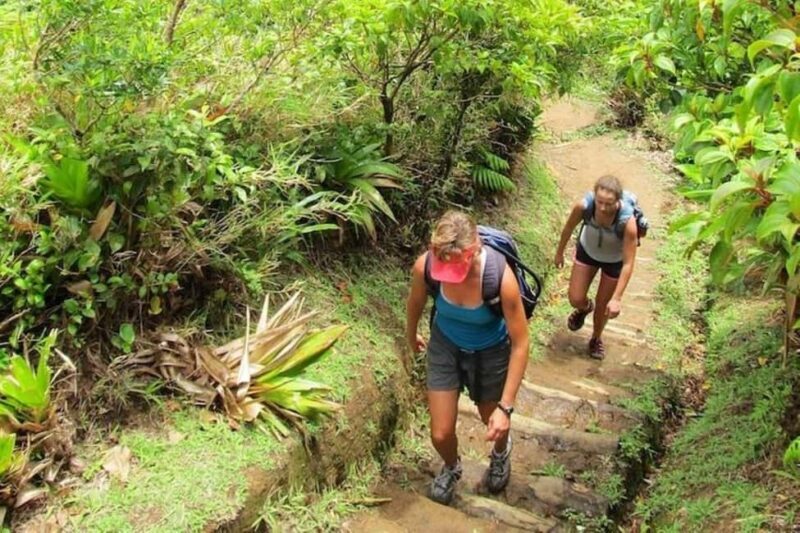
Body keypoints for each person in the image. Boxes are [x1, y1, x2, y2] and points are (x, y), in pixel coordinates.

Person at [405, 210, 530, 506]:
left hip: (491, 350)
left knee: (493, 420)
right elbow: (416, 301)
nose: (446, 270)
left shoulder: (500, 279)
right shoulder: (425, 267)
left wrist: (506, 407)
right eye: (441, 263)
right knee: (440, 431)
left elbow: (522, 342)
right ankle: (451, 466)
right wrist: (411, 335)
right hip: (445, 345)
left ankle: (500, 453)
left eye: (455, 265)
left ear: (474, 251)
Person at [554, 175, 638, 360]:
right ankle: (584, 308)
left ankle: (596, 338)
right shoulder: (583, 207)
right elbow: (568, 228)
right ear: (594, 197)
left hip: (614, 260)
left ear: (618, 201)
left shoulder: (627, 222)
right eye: (599, 202)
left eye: (608, 203)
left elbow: (628, 262)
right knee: (575, 298)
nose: (602, 207)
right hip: (588, 251)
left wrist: (617, 298)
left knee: (604, 305)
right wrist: (559, 252)